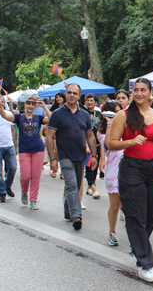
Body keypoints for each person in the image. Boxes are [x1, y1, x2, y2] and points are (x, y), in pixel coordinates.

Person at [109, 78, 153, 282]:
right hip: (132, 168)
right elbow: (110, 143)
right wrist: (130, 141)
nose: (139, 93)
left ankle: (138, 244)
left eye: (143, 90)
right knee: (135, 215)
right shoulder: (123, 116)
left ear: (151, 93)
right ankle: (145, 264)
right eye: (136, 90)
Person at [46, 83, 97, 230]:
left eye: (75, 93)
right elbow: (50, 137)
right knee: (72, 184)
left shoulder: (84, 114)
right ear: (65, 94)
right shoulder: (57, 114)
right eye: (69, 93)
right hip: (64, 156)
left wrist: (94, 155)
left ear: (79, 96)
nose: (72, 95)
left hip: (80, 155)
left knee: (77, 185)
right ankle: (76, 216)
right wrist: (53, 159)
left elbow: (90, 136)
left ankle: (68, 211)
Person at [0, 96, 51, 210]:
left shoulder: (39, 117)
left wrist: (44, 106)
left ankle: (33, 200)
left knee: (35, 177)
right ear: (25, 105)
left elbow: (52, 120)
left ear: (35, 106)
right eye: (28, 103)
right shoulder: (19, 117)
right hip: (24, 150)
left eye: (33, 104)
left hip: (38, 149)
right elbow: (5, 116)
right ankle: (24, 192)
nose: (30, 106)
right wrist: (0, 106)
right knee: (25, 176)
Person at [97, 100, 122, 246]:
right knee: (114, 206)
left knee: (130, 207)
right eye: (115, 111)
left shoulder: (126, 126)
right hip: (113, 171)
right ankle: (112, 232)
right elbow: (107, 144)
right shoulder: (102, 132)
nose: (118, 114)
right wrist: (110, 124)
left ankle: (134, 238)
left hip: (129, 169)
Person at [84, 93, 101, 197]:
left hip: (97, 144)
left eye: (91, 100)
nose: (89, 102)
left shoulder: (99, 114)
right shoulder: (82, 113)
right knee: (89, 165)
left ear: (95, 103)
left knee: (95, 166)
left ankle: (90, 186)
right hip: (87, 143)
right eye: (87, 100)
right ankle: (93, 188)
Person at [49, 92, 66, 179]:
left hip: (65, 134)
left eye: (60, 97)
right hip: (55, 134)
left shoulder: (67, 108)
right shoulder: (54, 109)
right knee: (57, 152)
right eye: (57, 97)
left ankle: (63, 171)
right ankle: (55, 168)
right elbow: (50, 118)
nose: (58, 99)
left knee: (64, 152)